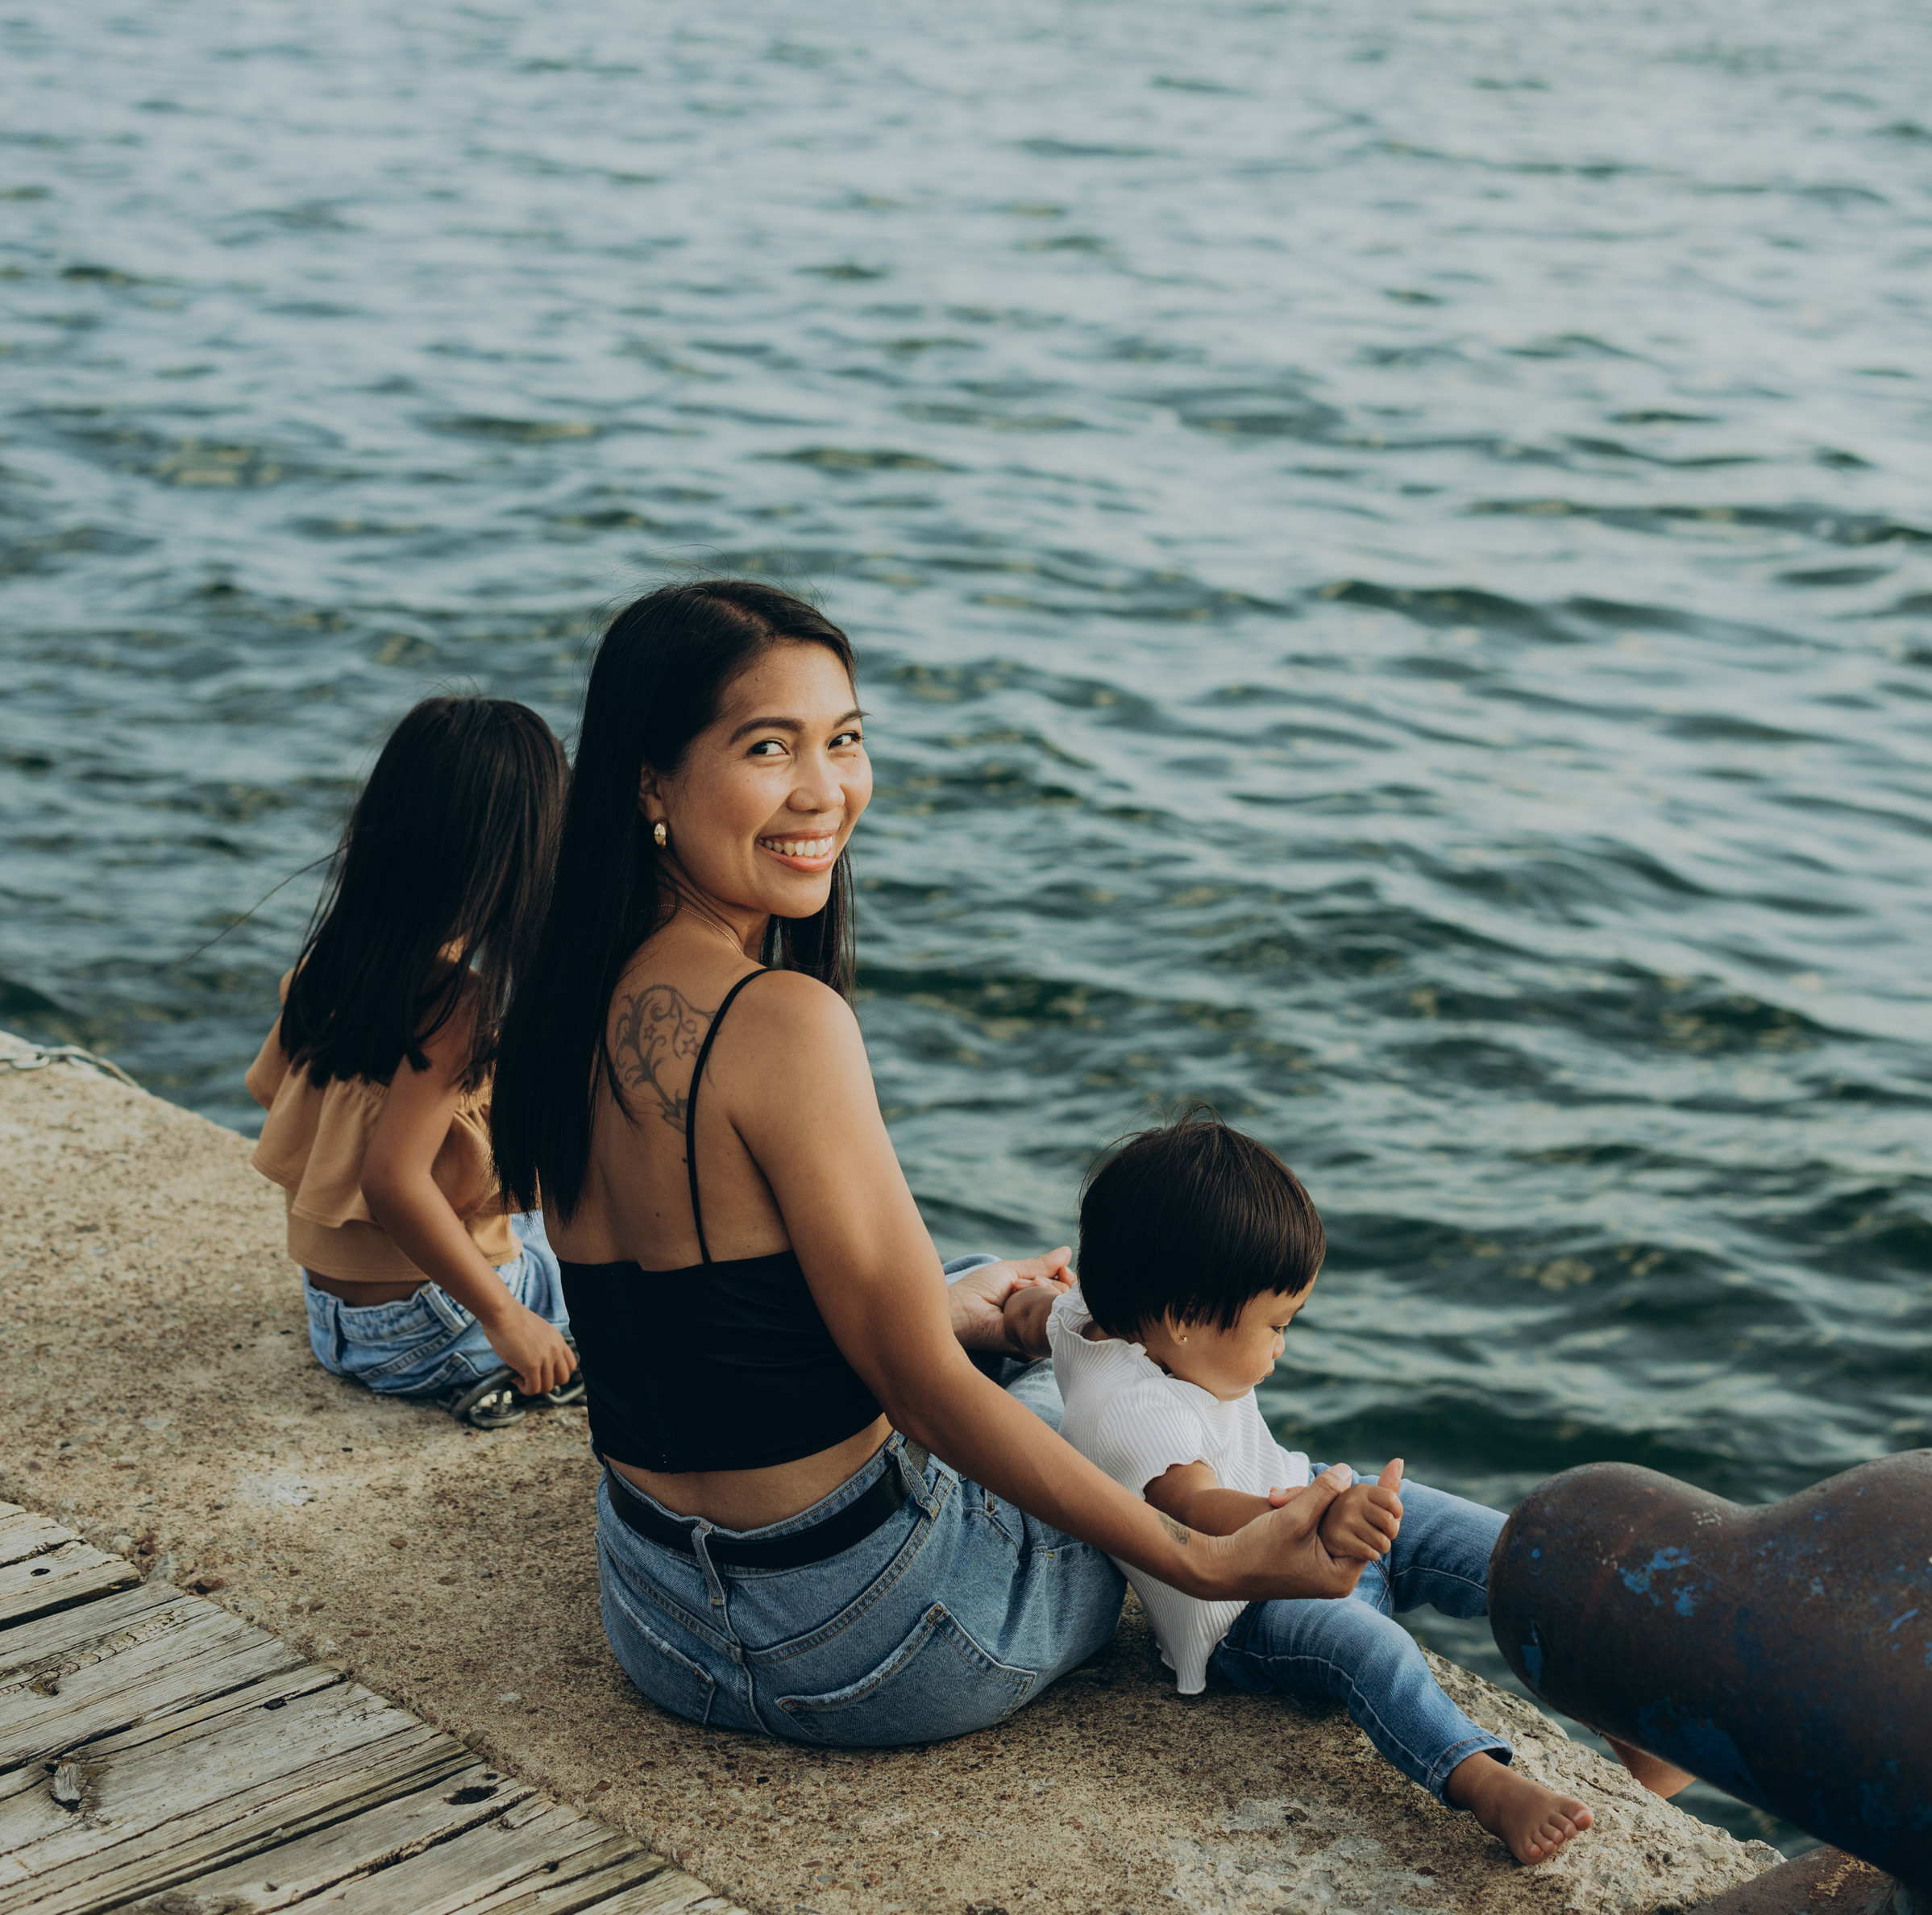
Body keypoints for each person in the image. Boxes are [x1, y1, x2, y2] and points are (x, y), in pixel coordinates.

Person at [488, 578, 1377, 1748]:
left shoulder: (560, 992)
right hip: (871, 1646)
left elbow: (696, 1314)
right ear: (650, 780)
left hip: (663, 1619)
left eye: (845, 740)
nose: (826, 790)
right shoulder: (780, 1021)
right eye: (769, 747)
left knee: (975, 1294)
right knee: (1102, 1379)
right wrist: (1201, 1557)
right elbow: (921, 1394)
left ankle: (985, 1309)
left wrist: (950, 1310)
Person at [1032, 1113, 1690, 1863]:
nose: (1282, 1347)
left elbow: (1045, 1311)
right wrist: (1319, 1521)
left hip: (1307, 1502)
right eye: (1277, 1325)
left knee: (1493, 1547)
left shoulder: (1092, 1314)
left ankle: (1618, 1700)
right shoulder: (1133, 1409)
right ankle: (1485, 1782)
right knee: (1375, 1653)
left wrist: (1018, 1304)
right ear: (1182, 1318)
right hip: (1248, 1610)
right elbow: (1198, 1510)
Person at [246, 695, 582, 1431]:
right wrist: (504, 1318)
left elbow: (284, 1105)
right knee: (608, 1250)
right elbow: (392, 1181)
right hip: (429, 1334)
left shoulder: (334, 962)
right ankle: (517, 1359)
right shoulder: (456, 1005)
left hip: (338, 1321)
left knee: (534, 1218)